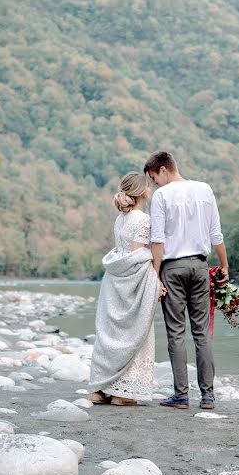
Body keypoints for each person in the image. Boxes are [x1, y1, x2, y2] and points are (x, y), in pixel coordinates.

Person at [144, 151, 228, 411]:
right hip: (200, 266)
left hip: (172, 268)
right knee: (201, 332)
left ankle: (181, 396)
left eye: (153, 177)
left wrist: (156, 276)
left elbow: (157, 240)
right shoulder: (205, 189)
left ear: (163, 169)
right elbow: (216, 234)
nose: (153, 183)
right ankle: (208, 396)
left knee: (176, 332)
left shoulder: (162, 196)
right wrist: (224, 265)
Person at [87, 172, 164, 406]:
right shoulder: (143, 219)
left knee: (111, 334)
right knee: (134, 334)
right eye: (148, 186)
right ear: (141, 191)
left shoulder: (120, 219)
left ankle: (99, 390)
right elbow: (138, 256)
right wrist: (156, 282)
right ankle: (123, 393)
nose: (151, 189)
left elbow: (123, 253)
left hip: (113, 281)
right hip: (132, 284)